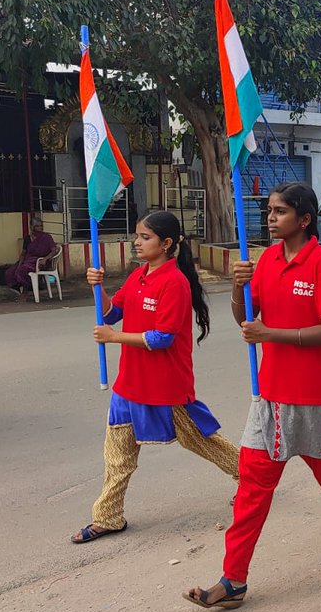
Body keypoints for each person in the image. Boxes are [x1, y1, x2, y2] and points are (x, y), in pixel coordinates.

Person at [183, 184, 321, 611]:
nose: (270, 218)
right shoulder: (264, 260)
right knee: (252, 486)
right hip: (270, 396)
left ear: (304, 220)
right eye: (269, 211)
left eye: (280, 211)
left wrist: (272, 335)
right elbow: (246, 321)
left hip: (316, 394)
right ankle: (233, 580)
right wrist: (237, 288)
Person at [72, 211, 239, 544]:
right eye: (137, 236)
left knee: (203, 441)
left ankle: (252, 477)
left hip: (165, 385)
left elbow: (161, 338)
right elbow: (110, 313)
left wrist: (113, 337)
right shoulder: (138, 276)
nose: (137, 242)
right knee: (117, 455)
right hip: (128, 384)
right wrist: (98, 287)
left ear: (166, 244)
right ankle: (108, 516)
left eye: (144, 237)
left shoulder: (174, 283)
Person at [5, 214, 57, 294]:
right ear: (32, 227)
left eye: (41, 226)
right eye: (37, 226)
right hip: (28, 260)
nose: (40, 228)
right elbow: (23, 253)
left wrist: (45, 259)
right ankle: (17, 288)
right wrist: (20, 263)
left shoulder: (47, 237)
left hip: (41, 262)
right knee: (10, 272)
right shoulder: (27, 239)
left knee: (23, 270)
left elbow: (54, 250)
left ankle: (26, 290)